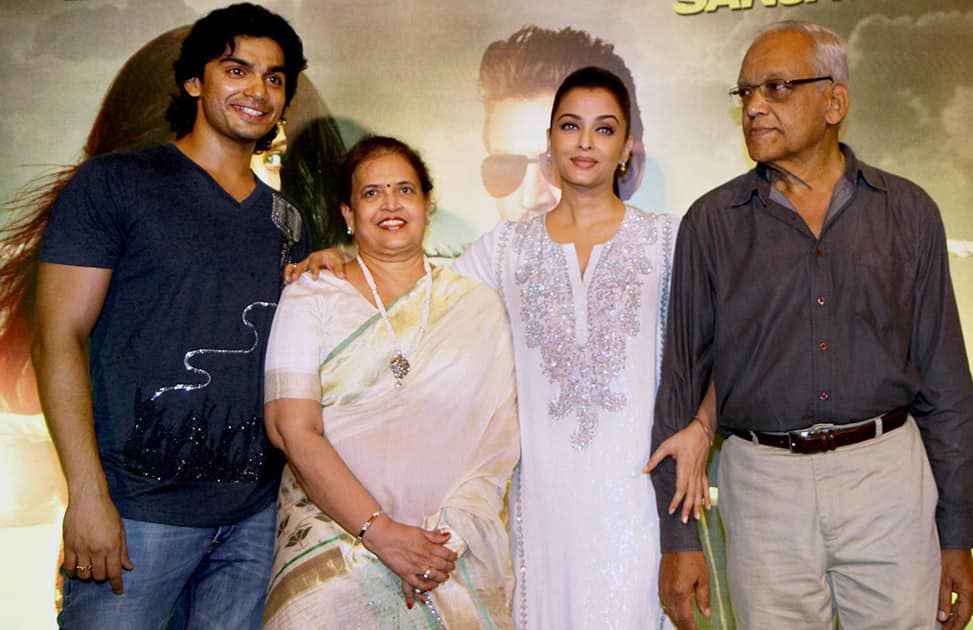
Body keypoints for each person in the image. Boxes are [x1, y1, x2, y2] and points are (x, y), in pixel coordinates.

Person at [291, 66, 714, 629]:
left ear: (627, 149)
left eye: (604, 129)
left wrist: (703, 428)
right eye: (570, 126)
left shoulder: (670, 239)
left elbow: (720, 349)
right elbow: (417, 292)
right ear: (550, 142)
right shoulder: (506, 249)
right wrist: (345, 261)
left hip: (638, 502)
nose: (585, 142)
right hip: (538, 506)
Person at [652, 20, 973, 630]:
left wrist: (957, 529)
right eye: (746, 93)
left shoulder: (908, 213)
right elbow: (680, 383)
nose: (754, 107)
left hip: (888, 478)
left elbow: (945, 381)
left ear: (834, 101)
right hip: (762, 487)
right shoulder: (711, 224)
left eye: (776, 89)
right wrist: (679, 541)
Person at [31, 4, 310, 627]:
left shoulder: (289, 220)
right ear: (193, 81)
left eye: (274, 77)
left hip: (253, 524)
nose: (256, 90)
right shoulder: (114, 184)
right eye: (236, 69)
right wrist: (86, 495)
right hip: (134, 517)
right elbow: (58, 338)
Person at [262, 135, 518, 628]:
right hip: (331, 557)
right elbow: (291, 429)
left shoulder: (477, 307)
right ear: (348, 213)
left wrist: (440, 544)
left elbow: (499, 442)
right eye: (371, 193)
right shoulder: (311, 294)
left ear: (427, 204)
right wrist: (381, 535)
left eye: (404, 189)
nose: (391, 204)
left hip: (447, 558)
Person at [478, 26, 646, 221]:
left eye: (556, 164)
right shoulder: (481, 250)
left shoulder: (672, 244)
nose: (530, 198)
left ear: (633, 169)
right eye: (506, 169)